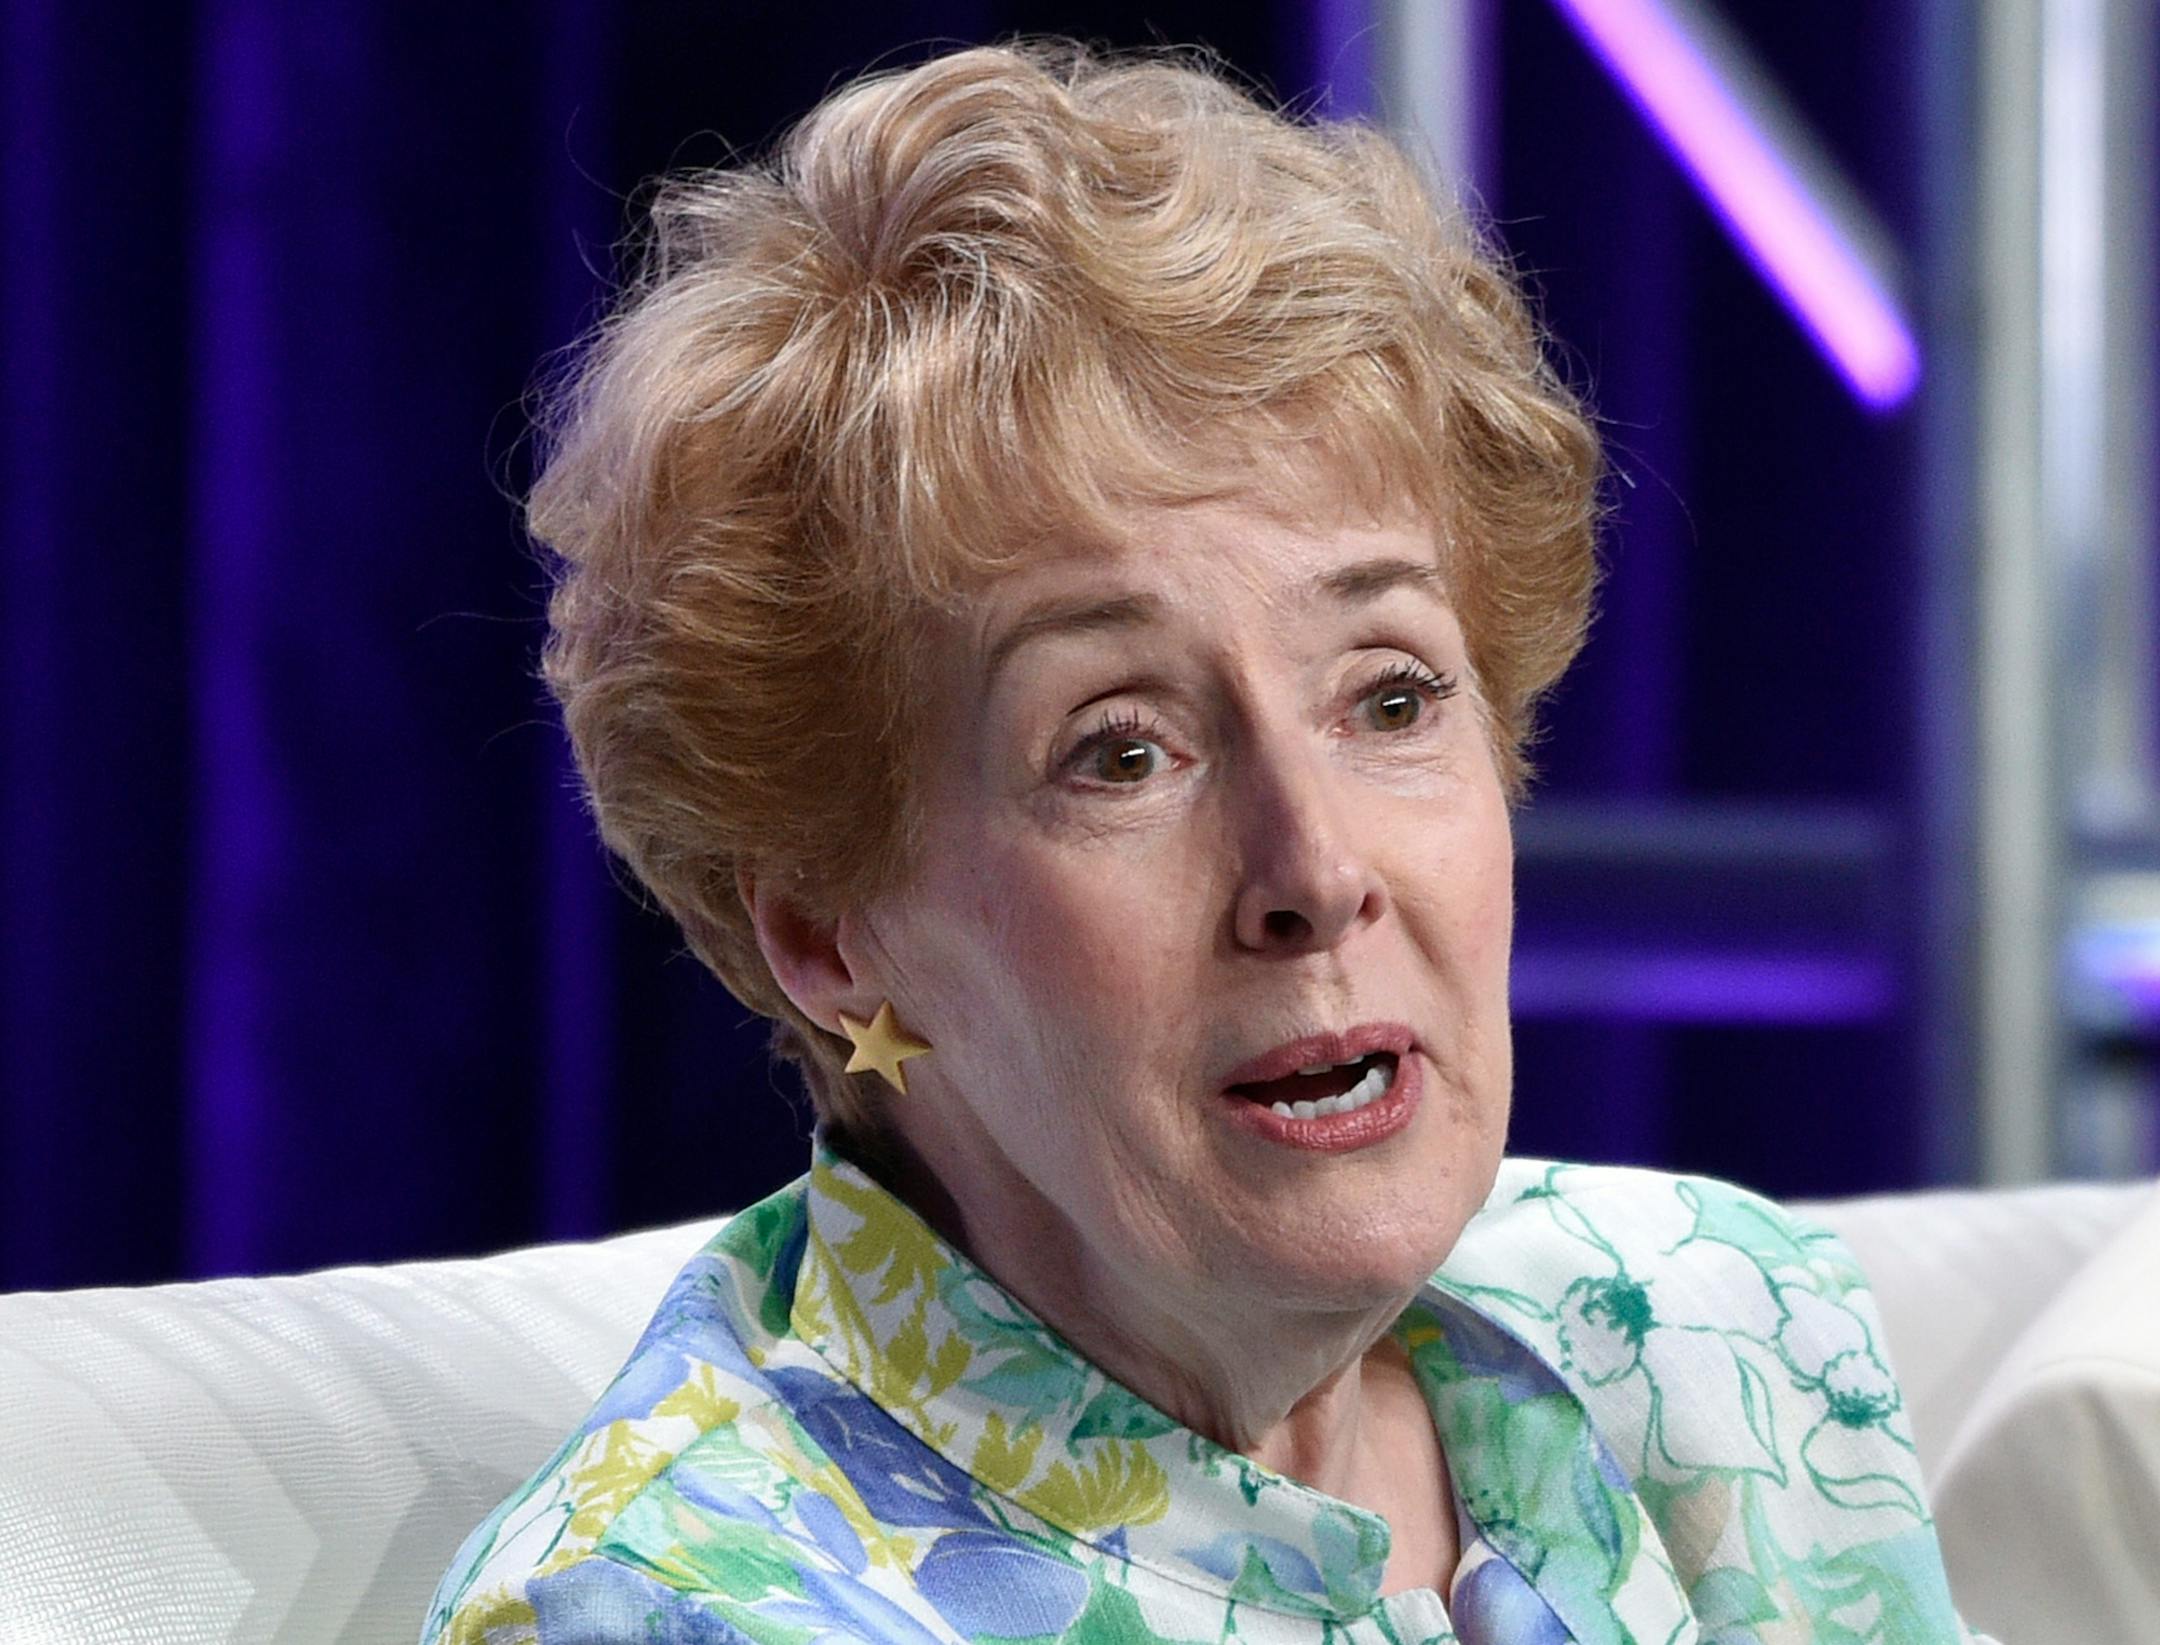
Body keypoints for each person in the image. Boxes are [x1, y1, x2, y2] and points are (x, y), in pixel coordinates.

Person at [424, 41, 1989, 1644]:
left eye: (1390, 695)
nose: (1314, 872)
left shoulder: (1714, 1331)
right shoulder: (677, 1609)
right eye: (1122, 750)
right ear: (832, 929)